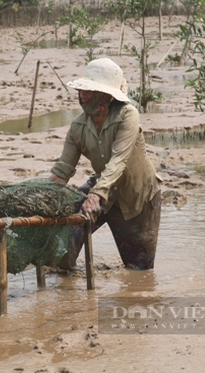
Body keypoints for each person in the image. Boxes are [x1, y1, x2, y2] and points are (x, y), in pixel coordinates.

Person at [49, 58, 162, 270]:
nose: (83, 96)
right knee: (63, 245)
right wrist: (42, 199)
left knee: (139, 270)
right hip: (102, 189)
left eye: (90, 92)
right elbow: (63, 170)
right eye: (82, 91)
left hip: (137, 197)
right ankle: (68, 284)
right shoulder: (78, 128)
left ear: (106, 97)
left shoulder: (128, 116)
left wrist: (95, 195)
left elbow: (118, 161)